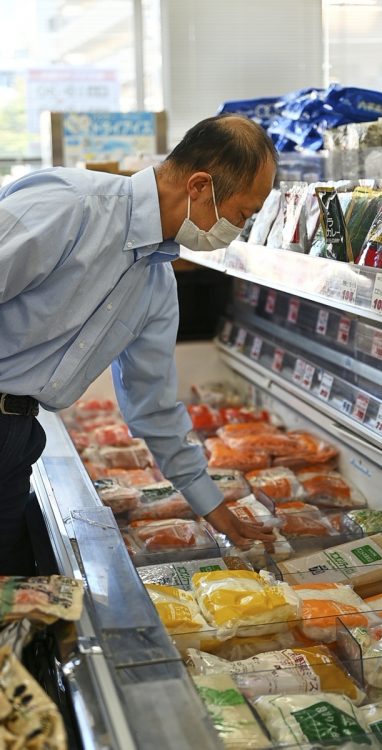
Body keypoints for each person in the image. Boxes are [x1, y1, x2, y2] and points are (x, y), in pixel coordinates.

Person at [0, 113, 277, 575]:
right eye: (242, 214)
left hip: (17, 433)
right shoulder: (71, 206)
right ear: (200, 187)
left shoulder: (156, 284)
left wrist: (213, 507)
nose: (239, 229)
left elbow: (153, 407)